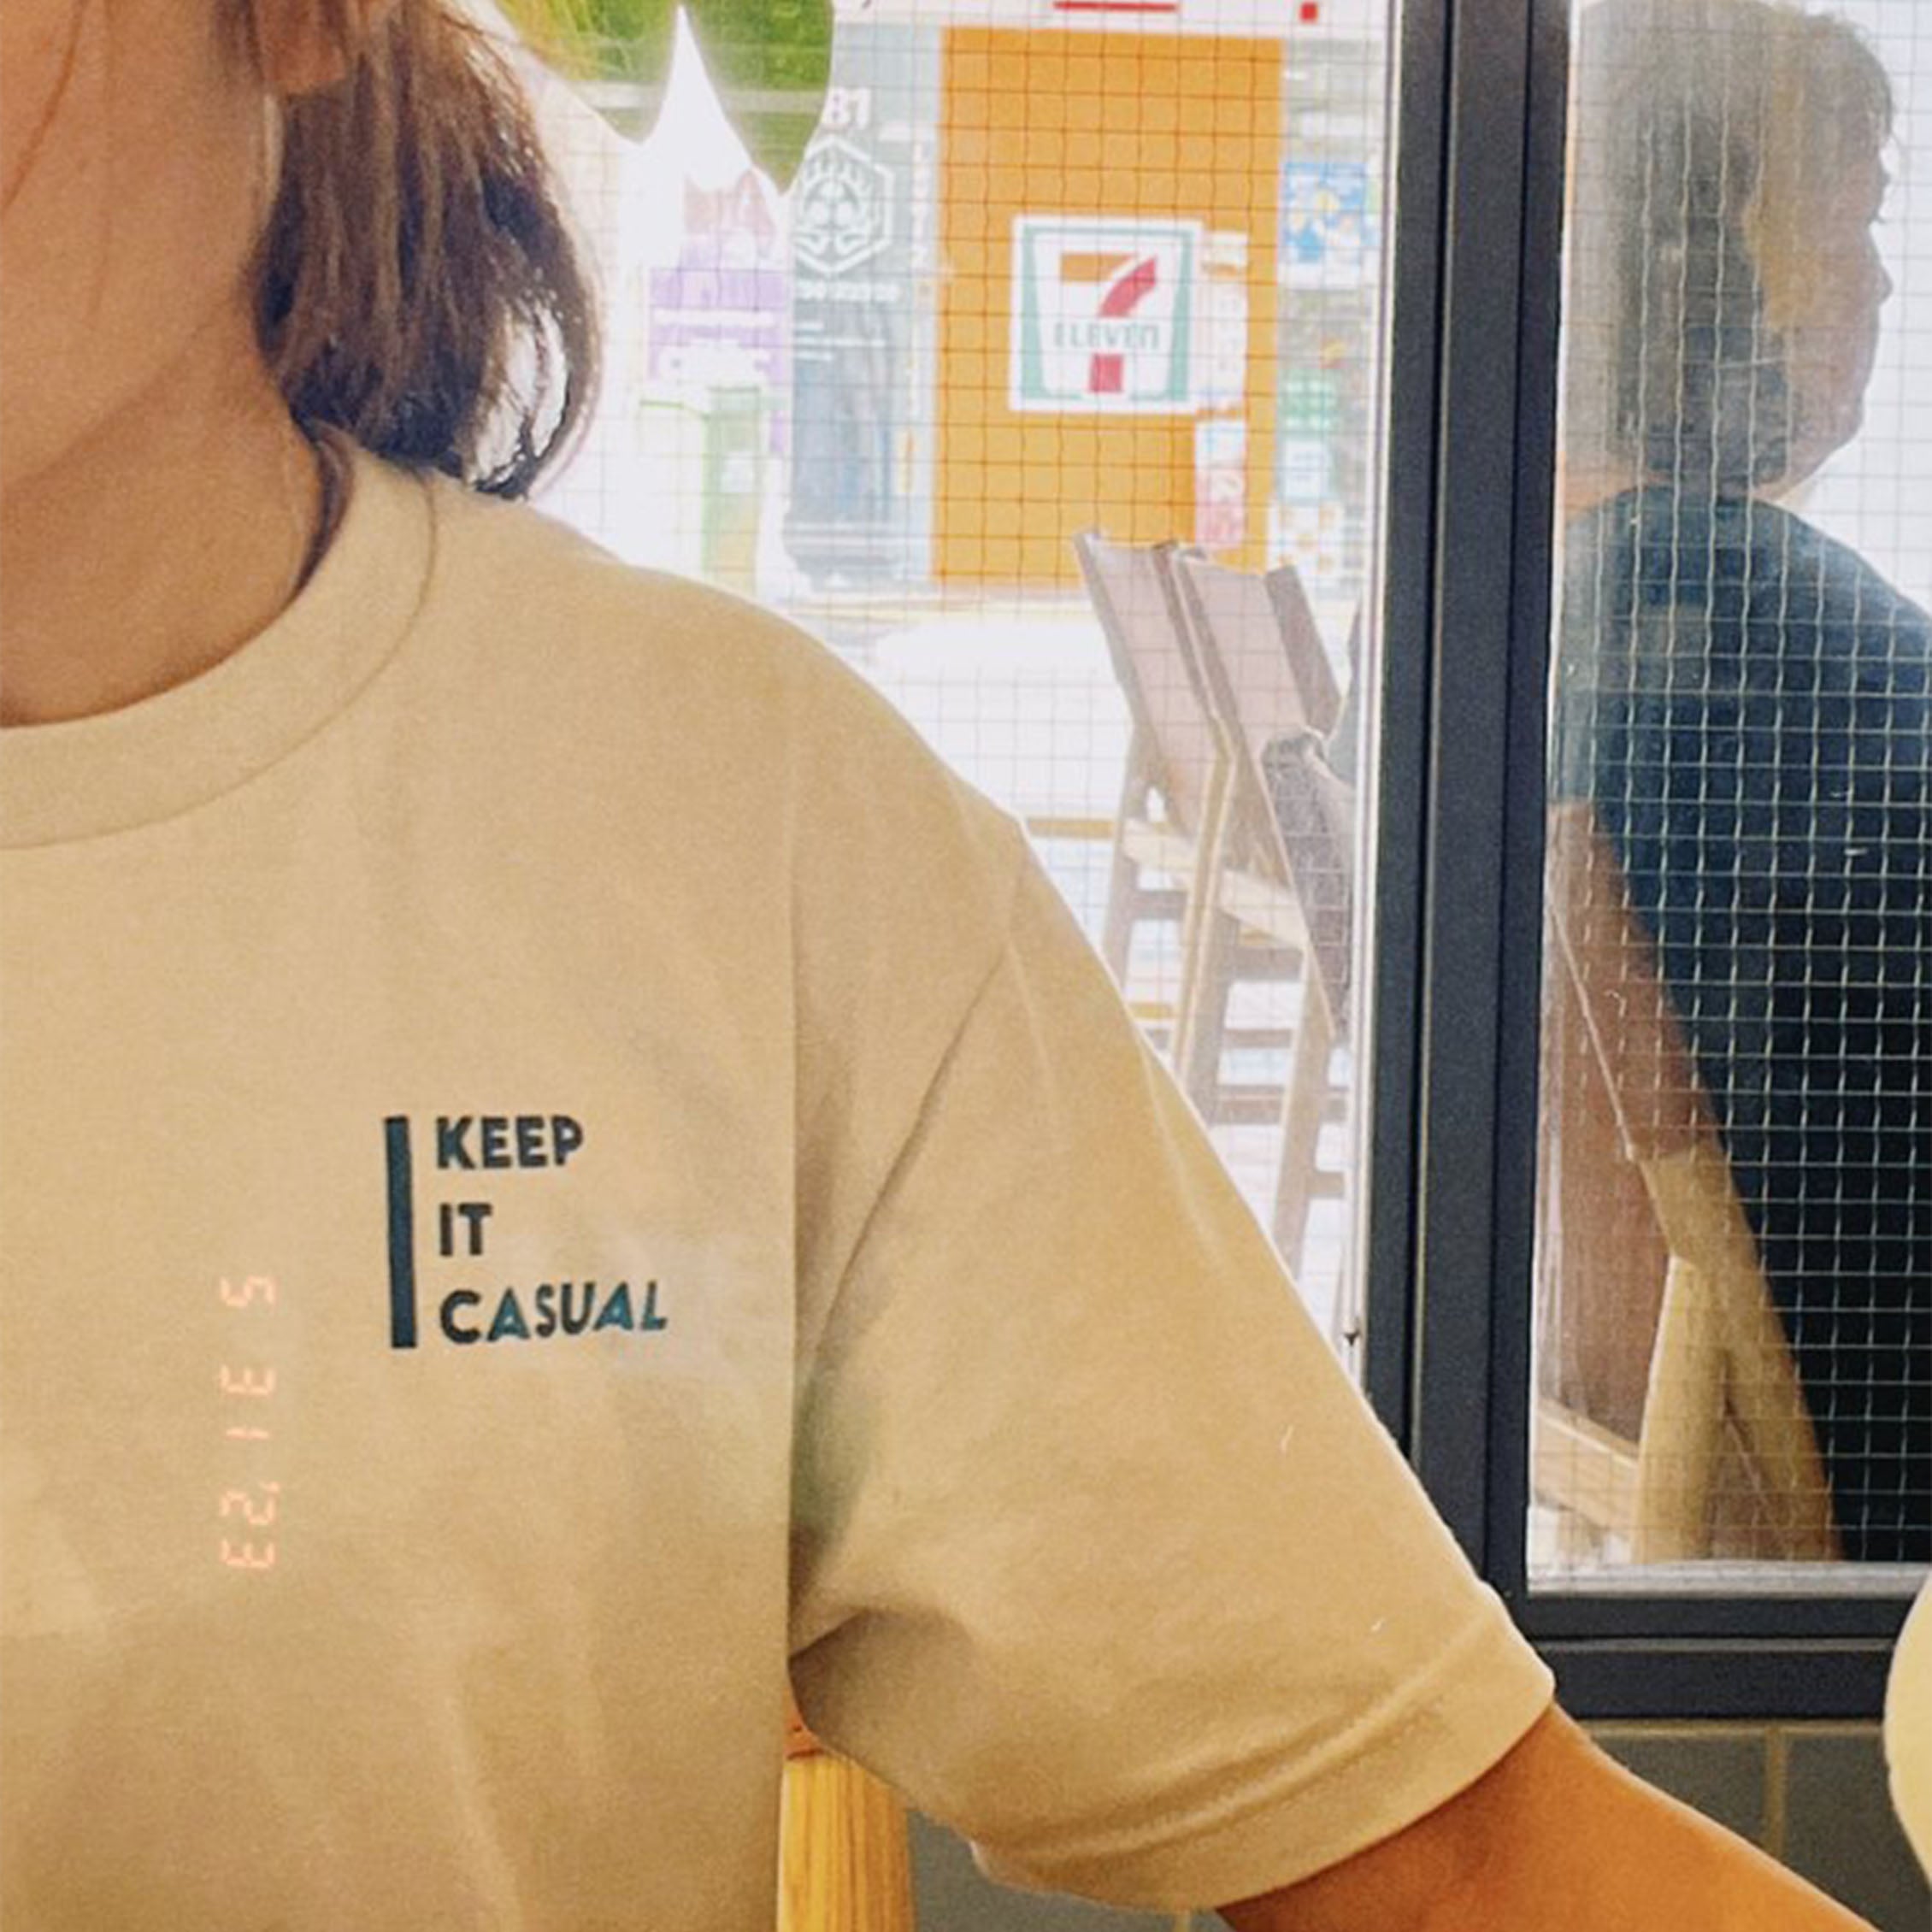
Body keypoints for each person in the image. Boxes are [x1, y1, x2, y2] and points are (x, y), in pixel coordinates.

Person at [0, 3, 1882, 1926]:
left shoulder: (709, 824)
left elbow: (1446, 1854)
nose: (1881, 284)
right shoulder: (1753, 640)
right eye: (1858, 218)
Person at [1552, 0, 1929, 1562]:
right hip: (1886, 1422)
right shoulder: (1740, 611)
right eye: (1848, 228)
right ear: (1710, 262)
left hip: (1686, 1373)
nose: (1882, 283)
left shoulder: (1520, 586)